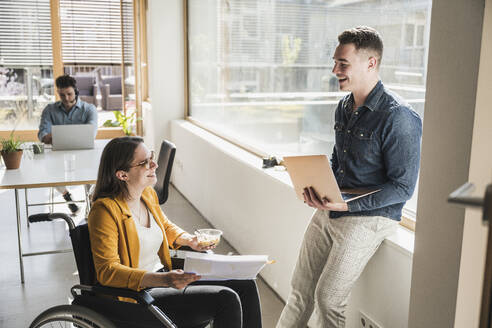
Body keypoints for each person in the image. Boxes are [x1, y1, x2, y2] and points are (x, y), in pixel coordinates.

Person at [276, 26, 422, 328]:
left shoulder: (399, 117)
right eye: (335, 62)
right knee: (299, 292)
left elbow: (402, 187)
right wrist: (315, 185)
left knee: (328, 299)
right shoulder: (344, 106)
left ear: (371, 63)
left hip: (370, 218)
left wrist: (349, 206)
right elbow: (338, 161)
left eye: (343, 63)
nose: (334, 70)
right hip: (334, 206)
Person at [88, 136, 263, 328]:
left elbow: (165, 226)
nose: (154, 164)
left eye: (151, 157)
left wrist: (190, 240)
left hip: (163, 278)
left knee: (246, 284)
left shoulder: (147, 194)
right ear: (123, 175)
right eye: (144, 162)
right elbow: (108, 272)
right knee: (225, 299)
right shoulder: (104, 211)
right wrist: (163, 279)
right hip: (138, 296)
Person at [38, 74, 98, 214]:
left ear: (76, 91)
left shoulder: (89, 109)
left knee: (93, 173)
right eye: (62, 95)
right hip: (57, 155)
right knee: (50, 171)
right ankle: (66, 195)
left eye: (69, 94)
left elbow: (90, 134)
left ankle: (92, 205)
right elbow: (42, 134)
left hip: (83, 154)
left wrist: (56, 135)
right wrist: (76, 133)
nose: (66, 98)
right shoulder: (49, 110)